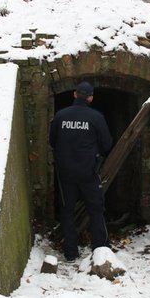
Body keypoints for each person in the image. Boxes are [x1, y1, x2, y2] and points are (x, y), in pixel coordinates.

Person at [49, 81, 113, 262]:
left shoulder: (61, 116)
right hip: (89, 172)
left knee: (67, 210)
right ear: (91, 98)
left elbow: (52, 141)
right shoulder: (96, 117)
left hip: (65, 172)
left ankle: (71, 252)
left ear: (75, 94)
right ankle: (100, 250)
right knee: (96, 209)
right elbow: (107, 143)